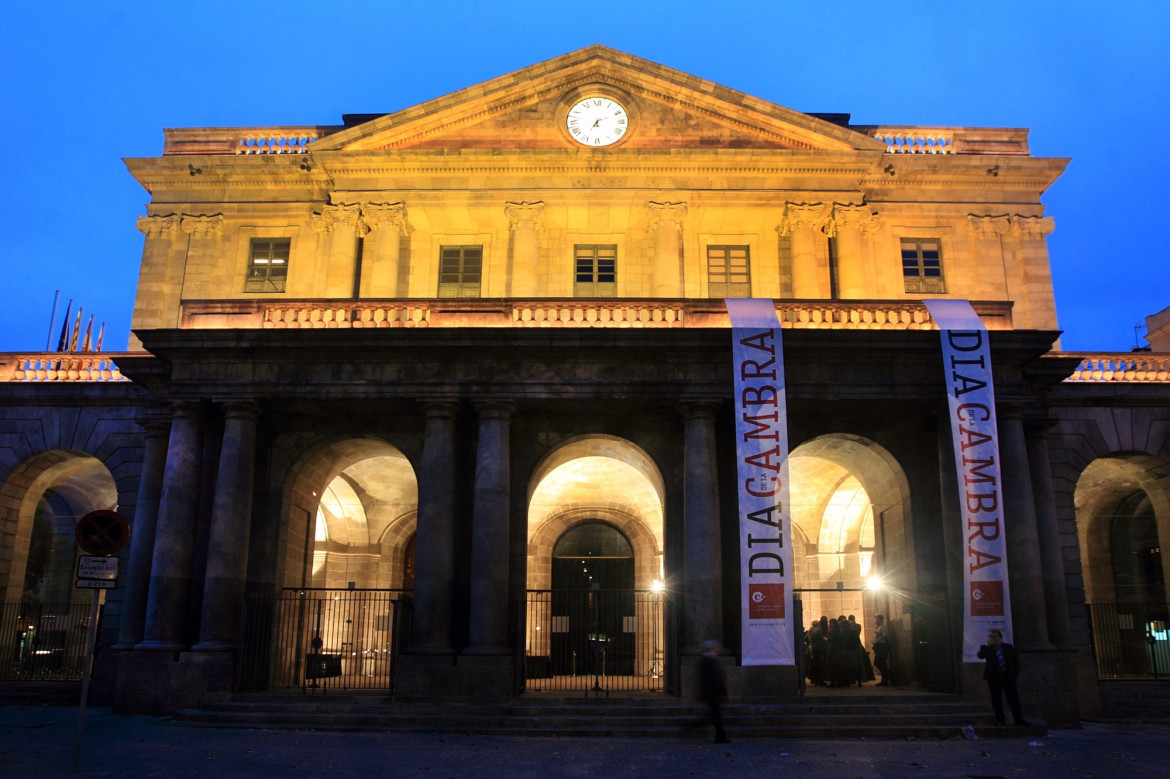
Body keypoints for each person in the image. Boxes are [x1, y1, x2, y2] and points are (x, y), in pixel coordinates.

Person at [976, 629, 1030, 726]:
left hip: (1008, 676)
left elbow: (1015, 661)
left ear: (1000, 637)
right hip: (994, 677)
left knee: (1013, 698)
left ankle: (1018, 719)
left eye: (995, 637)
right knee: (996, 699)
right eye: (991, 637)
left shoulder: (1008, 647)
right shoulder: (986, 648)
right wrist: (987, 647)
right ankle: (1000, 720)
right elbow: (980, 656)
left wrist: (1015, 673)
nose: (993, 639)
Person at [698, 639, 729, 743]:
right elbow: (710, 679)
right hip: (712, 694)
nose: (718, 649)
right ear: (712, 648)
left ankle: (720, 736)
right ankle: (720, 736)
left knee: (714, 715)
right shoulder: (706, 660)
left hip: (713, 694)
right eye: (716, 647)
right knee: (715, 715)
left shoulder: (711, 659)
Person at [872, 614, 890, 686]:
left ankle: (886, 675)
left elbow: (885, 636)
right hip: (878, 646)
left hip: (882, 646)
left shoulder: (883, 627)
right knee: (880, 663)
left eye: (877, 619)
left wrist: (878, 641)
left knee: (879, 662)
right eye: (875, 619)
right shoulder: (878, 627)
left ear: (881, 620)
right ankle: (884, 678)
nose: (876, 621)